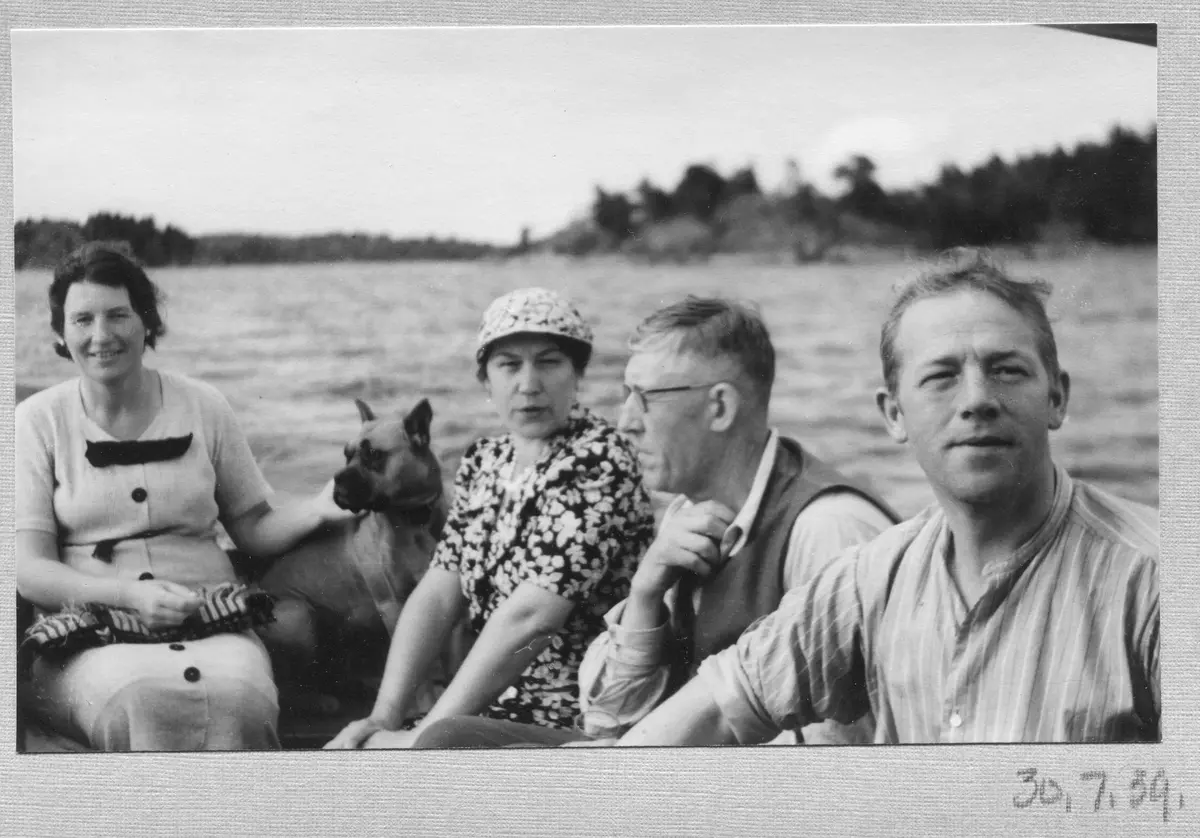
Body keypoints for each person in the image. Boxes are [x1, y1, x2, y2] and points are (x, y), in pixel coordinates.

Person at [616, 250, 1160, 746]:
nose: (977, 399)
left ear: (1057, 397)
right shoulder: (870, 580)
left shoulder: (1158, 582)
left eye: (1007, 371)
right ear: (894, 415)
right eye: (941, 377)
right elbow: (720, 702)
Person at [415, 296, 898, 749]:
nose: (625, 421)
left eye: (646, 398)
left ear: (720, 407)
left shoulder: (827, 529)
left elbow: (841, 758)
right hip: (666, 767)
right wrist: (645, 594)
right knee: (450, 740)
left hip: (725, 791)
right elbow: (609, 719)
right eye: (626, 395)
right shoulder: (687, 512)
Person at [16, 242, 357, 751]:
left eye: (118, 315)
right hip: (89, 635)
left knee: (240, 696)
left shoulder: (205, 405)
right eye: (83, 319)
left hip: (212, 621)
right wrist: (128, 596)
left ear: (146, 322)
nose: (101, 335)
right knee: (139, 696)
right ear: (61, 333)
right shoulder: (35, 422)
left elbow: (254, 529)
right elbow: (29, 569)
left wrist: (318, 508)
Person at [325, 288, 656, 749]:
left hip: (581, 715)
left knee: (427, 747)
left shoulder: (599, 461)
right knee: (362, 747)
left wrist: (418, 738)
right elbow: (438, 593)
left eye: (549, 362)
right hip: (491, 706)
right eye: (508, 365)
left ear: (578, 373)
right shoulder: (485, 460)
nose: (529, 384)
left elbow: (532, 619)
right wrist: (384, 717)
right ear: (486, 381)